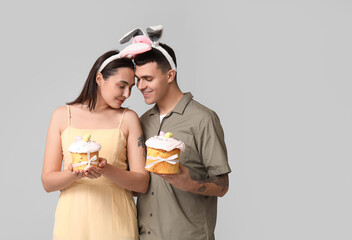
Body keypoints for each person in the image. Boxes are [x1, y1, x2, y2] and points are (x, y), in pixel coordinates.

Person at [132, 26, 231, 240]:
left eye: (148, 78)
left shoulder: (203, 119)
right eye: (138, 79)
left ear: (170, 75)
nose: (140, 86)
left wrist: (191, 184)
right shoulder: (141, 121)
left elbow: (222, 185)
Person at [41, 49, 149, 240]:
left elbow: (142, 183)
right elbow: (48, 183)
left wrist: (106, 169)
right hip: (73, 220)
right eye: (121, 85)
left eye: (131, 88)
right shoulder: (62, 116)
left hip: (117, 220)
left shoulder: (128, 119)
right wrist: (73, 173)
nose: (127, 94)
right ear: (99, 79)